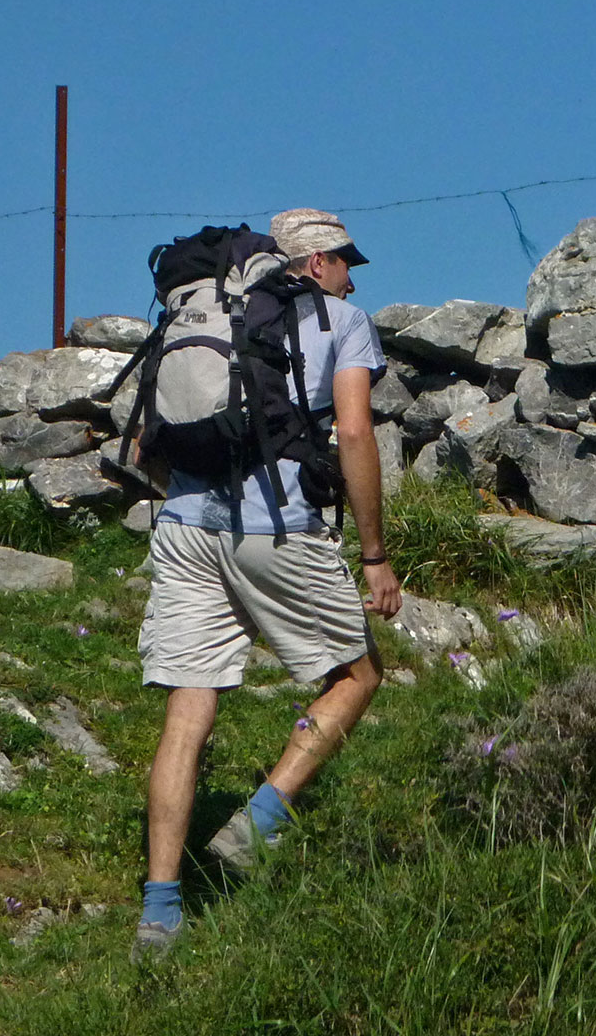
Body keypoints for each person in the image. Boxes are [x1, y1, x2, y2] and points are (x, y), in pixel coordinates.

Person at [135, 208, 402, 956]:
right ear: (315, 263)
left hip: (186, 524)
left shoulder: (203, 311)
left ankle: (159, 911)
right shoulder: (342, 321)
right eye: (346, 258)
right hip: (275, 527)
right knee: (358, 675)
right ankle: (258, 822)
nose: (353, 272)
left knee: (188, 715)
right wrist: (374, 554)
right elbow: (353, 433)